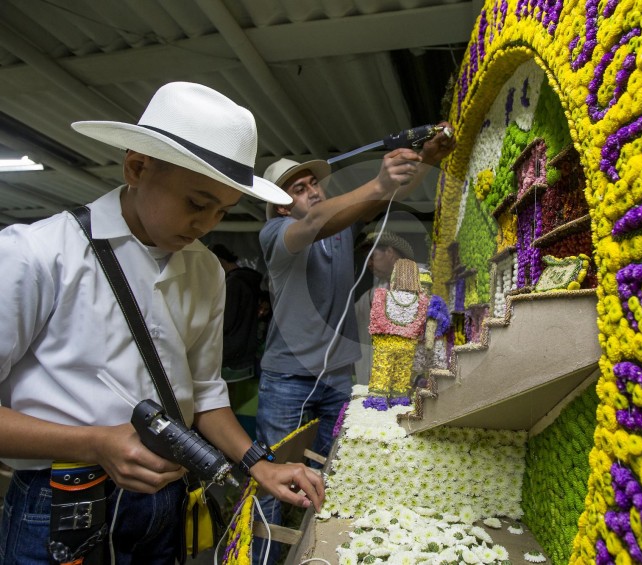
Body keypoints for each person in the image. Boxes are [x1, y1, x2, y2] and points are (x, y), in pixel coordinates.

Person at [0, 82, 324, 565]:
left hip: (163, 505)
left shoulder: (205, 270)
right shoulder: (37, 254)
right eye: (196, 203)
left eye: (222, 211)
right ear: (136, 167)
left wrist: (260, 463)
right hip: (62, 504)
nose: (207, 224)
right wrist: (96, 442)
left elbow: (205, 392)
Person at [256, 125, 455, 563]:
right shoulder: (276, 235)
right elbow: (313, 220)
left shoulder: (340, 227)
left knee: (334, 474)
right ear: (277, 206)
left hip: (337, 375)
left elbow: (382, 198)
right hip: (287, 377)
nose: (311, 191)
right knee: (272, 484)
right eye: (297, 188)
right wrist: (381, 180)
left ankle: (317, 554)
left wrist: (427, 158)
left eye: (313, 184)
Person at [364, 259, 429, 409]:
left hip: (385, 343)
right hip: (408, 345)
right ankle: (399, 399)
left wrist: (381, 336)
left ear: (396, 276)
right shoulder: (422, 300)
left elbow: (376, 319)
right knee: (402, 372)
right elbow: (419, 325)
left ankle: (378, 400)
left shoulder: (381, 295)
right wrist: (406, 333)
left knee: (382, 371)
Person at [353, 231, 415, 385]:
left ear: (389, 252)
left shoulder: (420, 284)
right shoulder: (372, 295)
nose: (368, 264)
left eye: (371, 257)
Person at [210, 243, 264, 381]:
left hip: (233, 352)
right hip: (251, 349)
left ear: (219, 261)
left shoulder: (233, 284)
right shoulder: (253, 279)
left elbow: (226, 321)